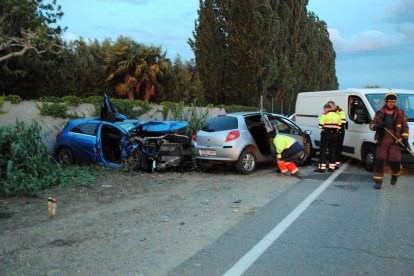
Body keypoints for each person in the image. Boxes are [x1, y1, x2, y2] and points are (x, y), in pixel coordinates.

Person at [369, 92, 409, 189]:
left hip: (395, 140)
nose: (391, 103)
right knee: (380, 160)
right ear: (386, 102)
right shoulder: (380, 113)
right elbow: (371, 125)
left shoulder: (400, 113)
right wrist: (377, 125)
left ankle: (395, 175)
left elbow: (405, 127)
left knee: (395, 160)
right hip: (382, 140)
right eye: (390, 101)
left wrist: (405, 139)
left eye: (393, 102)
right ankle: (378, 181)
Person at [314, 103, 342, 173]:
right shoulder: (337, 115)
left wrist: (325, 126)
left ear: (326, 108)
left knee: (323, 151)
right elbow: (339, 127)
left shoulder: (325, 115)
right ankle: (332, 168)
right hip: (335, 135)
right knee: (332, 151)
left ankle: (322, 168)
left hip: (326, 134)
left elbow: (320, 126)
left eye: (324, 109)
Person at [328, 100, 347, 169]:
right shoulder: (330, 112)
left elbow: (343, 122)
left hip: (340, 132)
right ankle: (332, 162)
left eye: (330, 107)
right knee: (332, 147)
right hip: (333, 132)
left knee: (338, 147)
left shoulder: (340, 111)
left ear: (333, 105)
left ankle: (337, 163)